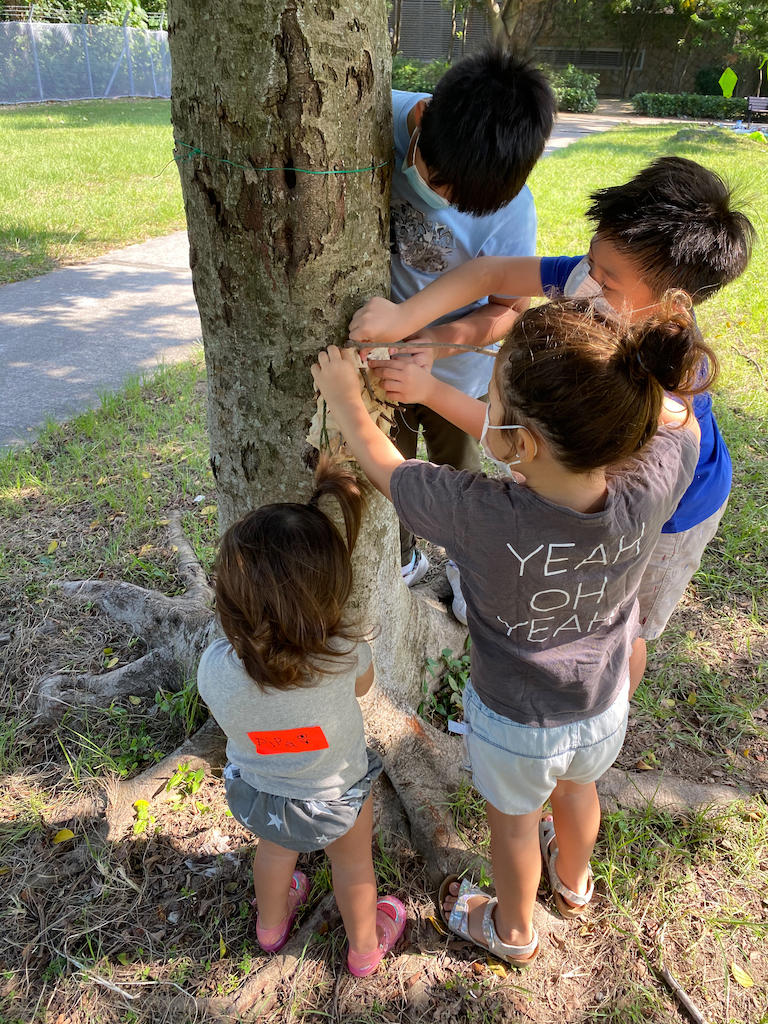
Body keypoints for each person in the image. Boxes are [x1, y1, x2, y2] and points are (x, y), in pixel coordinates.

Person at [313, 296, 708, 966]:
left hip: (514, 726)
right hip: (603, 705)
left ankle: (514, 930)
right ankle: (575, 886)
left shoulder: (479, 515)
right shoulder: (651, 484)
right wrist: (633, 372)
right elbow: (682, 421)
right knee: (578, 791)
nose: (484, 406)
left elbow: (385, 469)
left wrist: (345, 396)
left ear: (520, 445)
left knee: (516, 828)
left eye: (490, 398)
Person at [354, 157, 754, 667]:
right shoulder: (601, 284)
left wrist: (429, 391)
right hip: (600, 487)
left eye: (608, 279)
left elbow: (531, 447)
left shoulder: (657, 386)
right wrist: (407, 320)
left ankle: (614, 698)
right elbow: (491, 272)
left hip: (672, 516)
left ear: (672, 305)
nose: (586, 279)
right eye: (590, 257)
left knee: (624, 628)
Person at [196, 458, 405, 976]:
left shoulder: (214, 668)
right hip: (337, 796)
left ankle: (270, 927)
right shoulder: (343, 655)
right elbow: (365, 687)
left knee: (273, 855)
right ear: (330, 594)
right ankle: (364, 949)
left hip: (262, 793)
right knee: (352, 865)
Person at [388, 48, 556, 587]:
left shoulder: (513, 211)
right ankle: (401, 556)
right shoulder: (376, 116)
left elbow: (508, 310)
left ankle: (464, 565)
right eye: (438, 182)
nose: (440, 199)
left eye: (462, 203)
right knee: (389, 473)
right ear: (421, 120)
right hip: (381, 367)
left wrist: (437, 341)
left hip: (457, 374)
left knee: (458, 477)